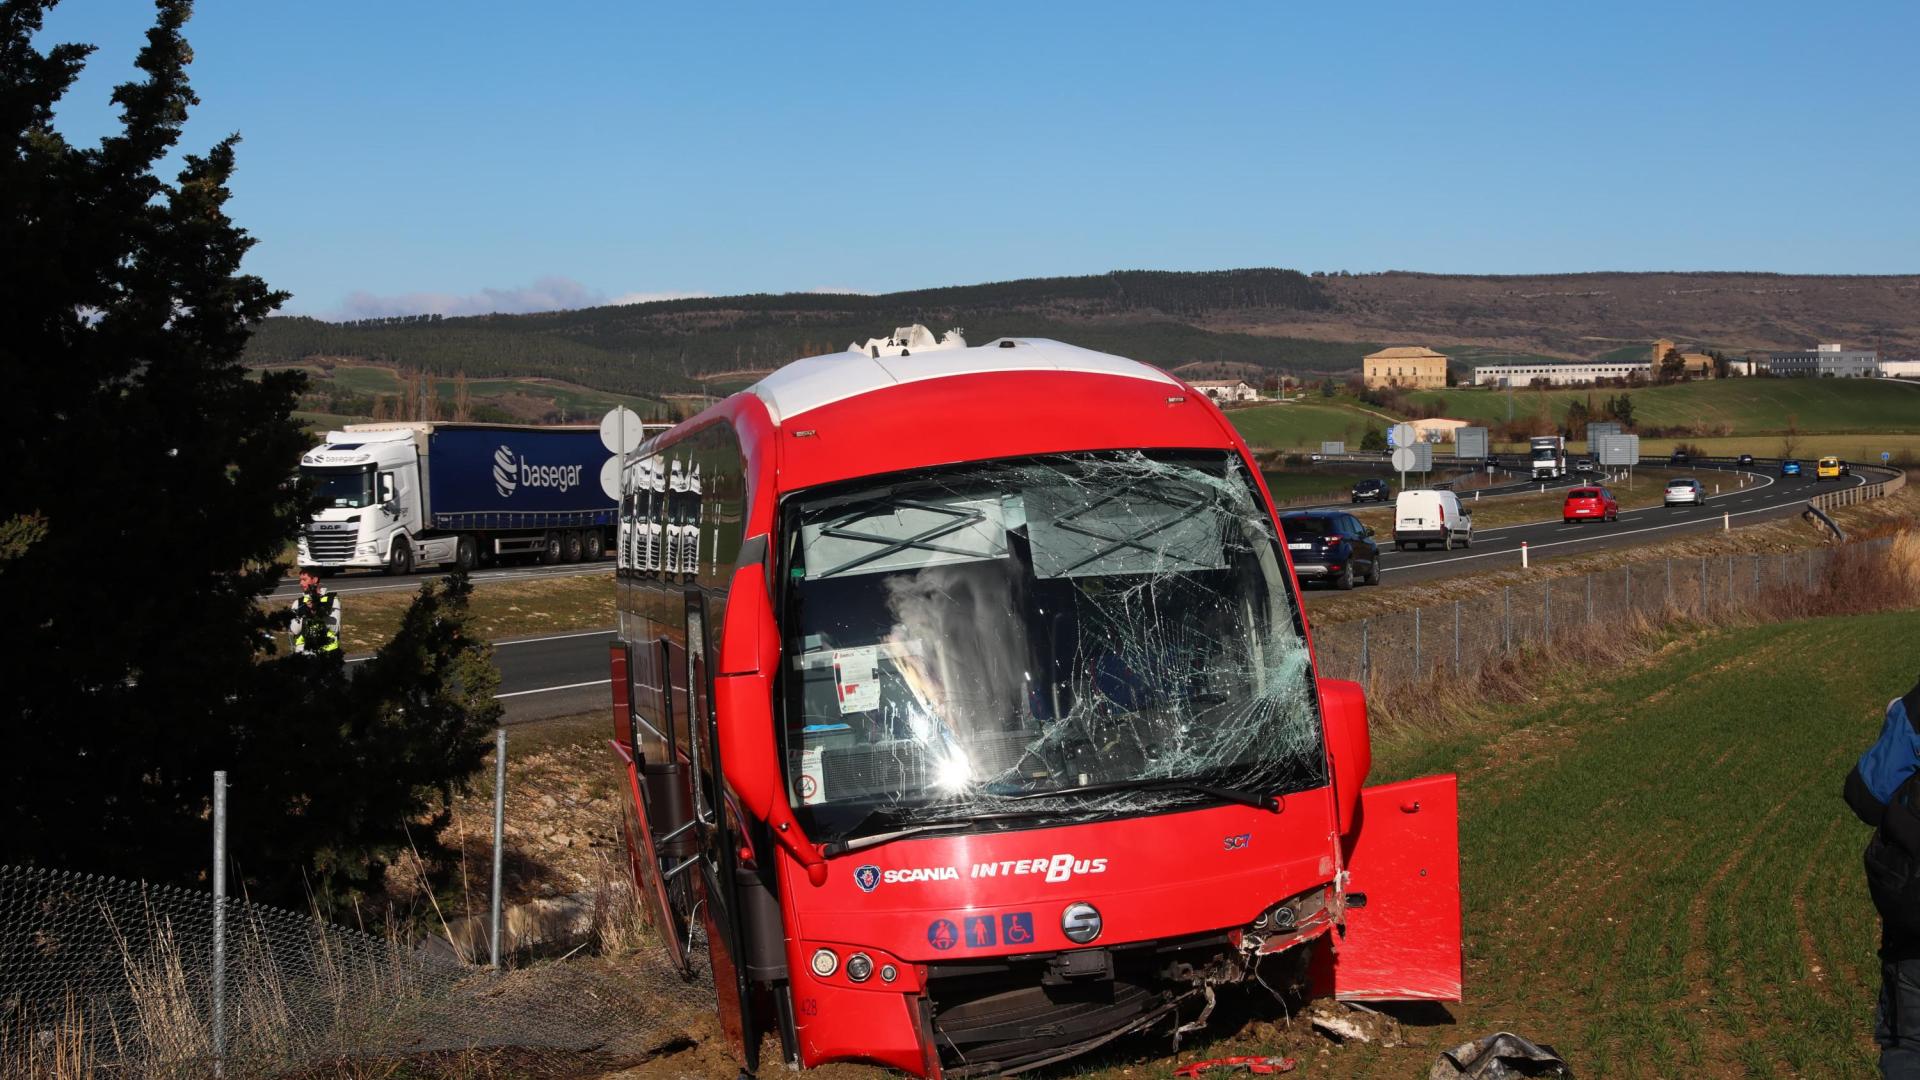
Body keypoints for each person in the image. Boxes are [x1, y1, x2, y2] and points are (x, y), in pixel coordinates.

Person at [1846, 675, 1920, 1077]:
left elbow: (1865, 795)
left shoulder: (1916, 709)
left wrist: (1897, 719)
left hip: (1914, 937)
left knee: (1910, 1047)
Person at [290, 566, 341, 655]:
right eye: (300, 580)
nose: (301, 583)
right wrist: (306, 612)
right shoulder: (298, 603)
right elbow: (294, 630)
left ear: (315, 579)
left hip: (327, 651)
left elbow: (336, 629)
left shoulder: (331, 600)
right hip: (304, 652)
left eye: (304, 580)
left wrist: (319, 614)